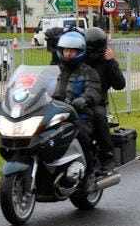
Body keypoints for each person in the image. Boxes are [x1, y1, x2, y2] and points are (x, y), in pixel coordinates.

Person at [52, 31, 104, 171]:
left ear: (80, 52)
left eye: (72, 51)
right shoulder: (54, 70)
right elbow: (40, 86)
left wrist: (84, 99)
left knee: (81, 136)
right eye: (66, 50)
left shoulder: (88, 71)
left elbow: (94, 89)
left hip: (79, 115)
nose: (68, 54)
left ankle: (89, 173)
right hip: (54, 115)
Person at [84, 26, 126, 171]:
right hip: (77, 100)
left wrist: (112, 62)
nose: (94, 55)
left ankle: (108, 156)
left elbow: (120, 84)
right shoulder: (80, 60)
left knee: (99, 117)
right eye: (91, 51)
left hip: (98, 102)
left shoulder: (107, 62)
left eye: (97, 52)